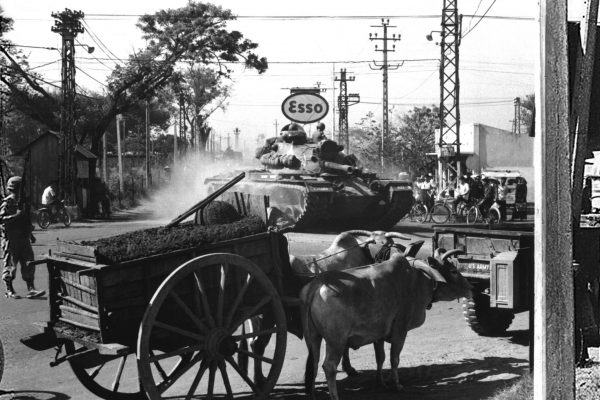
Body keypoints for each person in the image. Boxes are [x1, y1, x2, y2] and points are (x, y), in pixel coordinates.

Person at [1, 176, 44, 299]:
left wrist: (30, 235)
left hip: (24, 238)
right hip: (12, 238)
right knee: (10, 264)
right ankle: (9, 289)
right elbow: (1, 219)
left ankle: (31, 288)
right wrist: (15, 216)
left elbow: (26, 220)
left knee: (28, 262)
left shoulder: (24, 202)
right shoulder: (7, 202)